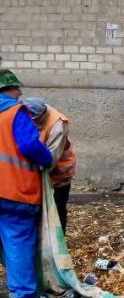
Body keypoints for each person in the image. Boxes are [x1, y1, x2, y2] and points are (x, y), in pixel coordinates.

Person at [0, 69, 53, 298]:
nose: (20, 93)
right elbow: (30, 145)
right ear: (5, 90)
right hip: (12, 190)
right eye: (15, 88)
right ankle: (23, 293)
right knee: (18, 237)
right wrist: (48, 158)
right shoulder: (13, 112)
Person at [23, 97, 77, 232]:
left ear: (43, 114)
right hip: (38, 168)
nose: (33, 123)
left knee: (57, 207)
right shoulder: (27, 114)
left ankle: (59, 241)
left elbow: (52, 158)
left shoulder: (58, 125)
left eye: (36, 121)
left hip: (59, 172)